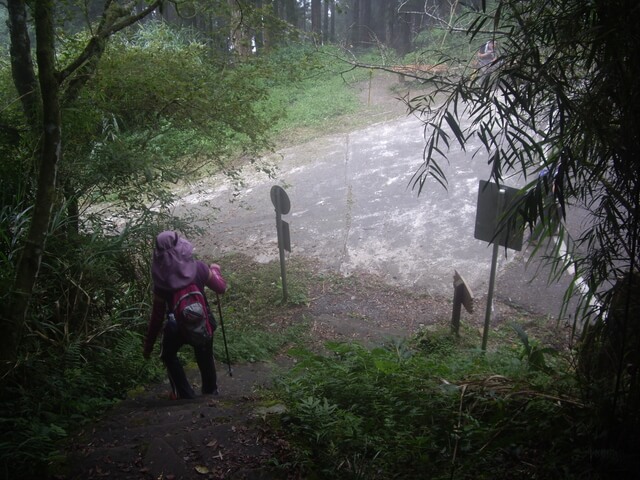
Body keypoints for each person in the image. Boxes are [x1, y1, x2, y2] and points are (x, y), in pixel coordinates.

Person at [143, 231, 227, 399]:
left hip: (177, 327)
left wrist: (148, 345)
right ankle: (210, 395)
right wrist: (215, 270)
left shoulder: (161, 282)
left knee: (168, 355)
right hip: (202, 321)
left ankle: (185, 393)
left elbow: (157, 317)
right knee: (205, 358)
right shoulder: (199, 268)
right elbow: (221, 288)